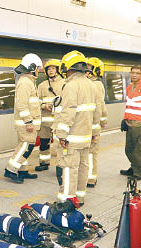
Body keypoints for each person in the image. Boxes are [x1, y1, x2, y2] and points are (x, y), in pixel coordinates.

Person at [55, 50, 101, 206]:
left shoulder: (70, 86)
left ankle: (66, 201)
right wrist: (95, 133)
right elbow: (97, 111)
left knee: (69, 168)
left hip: (72, 138)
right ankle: (79, 198)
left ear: (69, 67)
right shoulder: (91, 85)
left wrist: (61, 135)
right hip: (86, 137)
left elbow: (68, 112)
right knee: (83, 167)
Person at [4, 53, 42, 184]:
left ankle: (23, 170)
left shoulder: (29, 82)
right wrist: (28, 121)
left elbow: (30, 102)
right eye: (37, 68)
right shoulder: (25, 82)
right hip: (26, 124)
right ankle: (11, 169)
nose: (38, 71)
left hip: (27, 122)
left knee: (24, 145)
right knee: (26, 147)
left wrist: (43, 104)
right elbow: (21, 104)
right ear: (32, 68)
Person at [36, 59, 65, 172]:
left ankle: (61, 164)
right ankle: (44, 162)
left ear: (58, 70)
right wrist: (44, 106)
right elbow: (37, 101)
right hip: (45, 121)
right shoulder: (42, 85)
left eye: (53, 68)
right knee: (44, 143)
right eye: (48, 69)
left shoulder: (64, 84)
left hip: (59, 120)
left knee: (59, 144)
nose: (51, 71)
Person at [85, 57, 107, 187]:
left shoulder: (97, 85)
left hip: (92, 125)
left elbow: (100, 107)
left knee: (91, 152)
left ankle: (91, 177)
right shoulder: (87, 83)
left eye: (89, 67)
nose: (86, 70)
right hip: (85, 124)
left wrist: (98, 125)